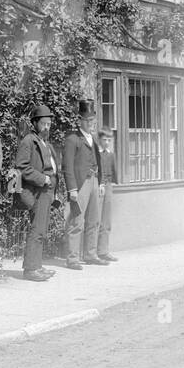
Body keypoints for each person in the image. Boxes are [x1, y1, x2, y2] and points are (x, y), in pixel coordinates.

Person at [15, 103, 60, 282]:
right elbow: (21, 167)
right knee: (36, 229)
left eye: (49, 124)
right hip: (37, 191)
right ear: (34, 123)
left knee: (41, 229)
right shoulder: (28, 141)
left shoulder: (45, 142)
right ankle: (30, 269)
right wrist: (43, 179)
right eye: (43, 123)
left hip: (47, 191)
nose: (47, 127)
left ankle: (37, 266)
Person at [63, 101, 104, 269]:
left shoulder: (93, 138)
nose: (91, 124)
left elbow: (98, 162)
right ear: (80, 121)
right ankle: (72, 258)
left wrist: (100, 182)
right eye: (88, 121)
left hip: (94, 181)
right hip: (80, 184)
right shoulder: (73, 139)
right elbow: (67, 166)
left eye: (93, 120)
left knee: (94, 220)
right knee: (76, 221)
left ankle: (90, 254)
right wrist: (72, 188)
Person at [94, 126, 120, 263]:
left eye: (109, 140)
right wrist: (100, 184)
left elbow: (113, 170)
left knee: (106, 221)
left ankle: (103, 251)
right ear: (99, 140)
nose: (107, 143)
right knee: (96, 220)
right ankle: (92, 252)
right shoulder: (96, 153)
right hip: (99, 187)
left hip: (108, 187)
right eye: (104, 140)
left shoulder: (110, 153)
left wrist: (112, 183)